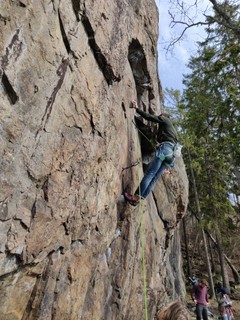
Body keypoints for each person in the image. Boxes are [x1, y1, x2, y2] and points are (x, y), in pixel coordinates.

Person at [124, 100, 178, 206]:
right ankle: (139, 199)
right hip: (171, 155)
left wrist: (137, 109)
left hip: (165, 149)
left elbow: (150, 117)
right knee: (154, 178)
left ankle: (134, 197)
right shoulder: (173, 132)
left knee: (150, 174)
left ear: (163, 116)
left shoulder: (165, 119)